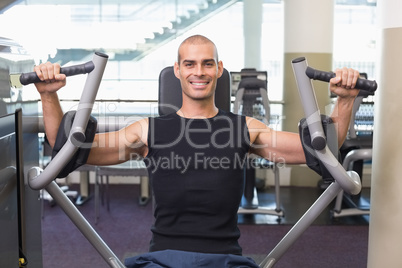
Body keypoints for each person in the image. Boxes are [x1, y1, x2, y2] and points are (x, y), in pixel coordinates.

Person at [34, 34, 361, 267]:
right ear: (177, 71)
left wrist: (345, 99)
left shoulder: (244, 128)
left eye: (207, 64)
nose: (199, 72)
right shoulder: (148, 131)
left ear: (219, 69)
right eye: (189, 64)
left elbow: (320, 151)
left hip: (225, 260)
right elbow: (70, 151)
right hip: (162, 259)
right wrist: (49, 95)